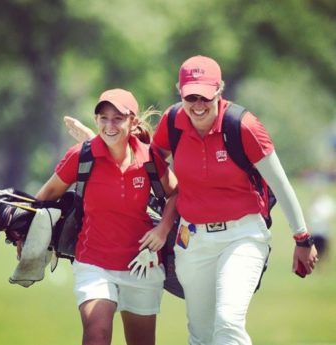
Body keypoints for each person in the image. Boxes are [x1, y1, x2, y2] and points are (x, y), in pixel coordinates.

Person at [65, 56, 319, 345]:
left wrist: (302, 237)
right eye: (191, 97)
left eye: (205, 97)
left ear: (219, 92)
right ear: (180, 92)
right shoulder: (173, 121)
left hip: (242, 236)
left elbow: (280, 183)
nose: (198, 105)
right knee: (200, 335)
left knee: (227, 323)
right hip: (193, 239)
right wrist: (99, 143)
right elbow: (144, 165)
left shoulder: (243, 126)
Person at [34, 88, 178, 345]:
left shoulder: (148, 157)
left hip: (142, 266)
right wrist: (27, 239)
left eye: (118, 118)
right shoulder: (82, 156)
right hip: (94, 263)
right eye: (103, 118)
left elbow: (176, 194)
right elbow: (45, 196)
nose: (109, 125)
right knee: (96, 333)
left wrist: (163, 228)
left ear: (132, 121)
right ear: (96, 120)